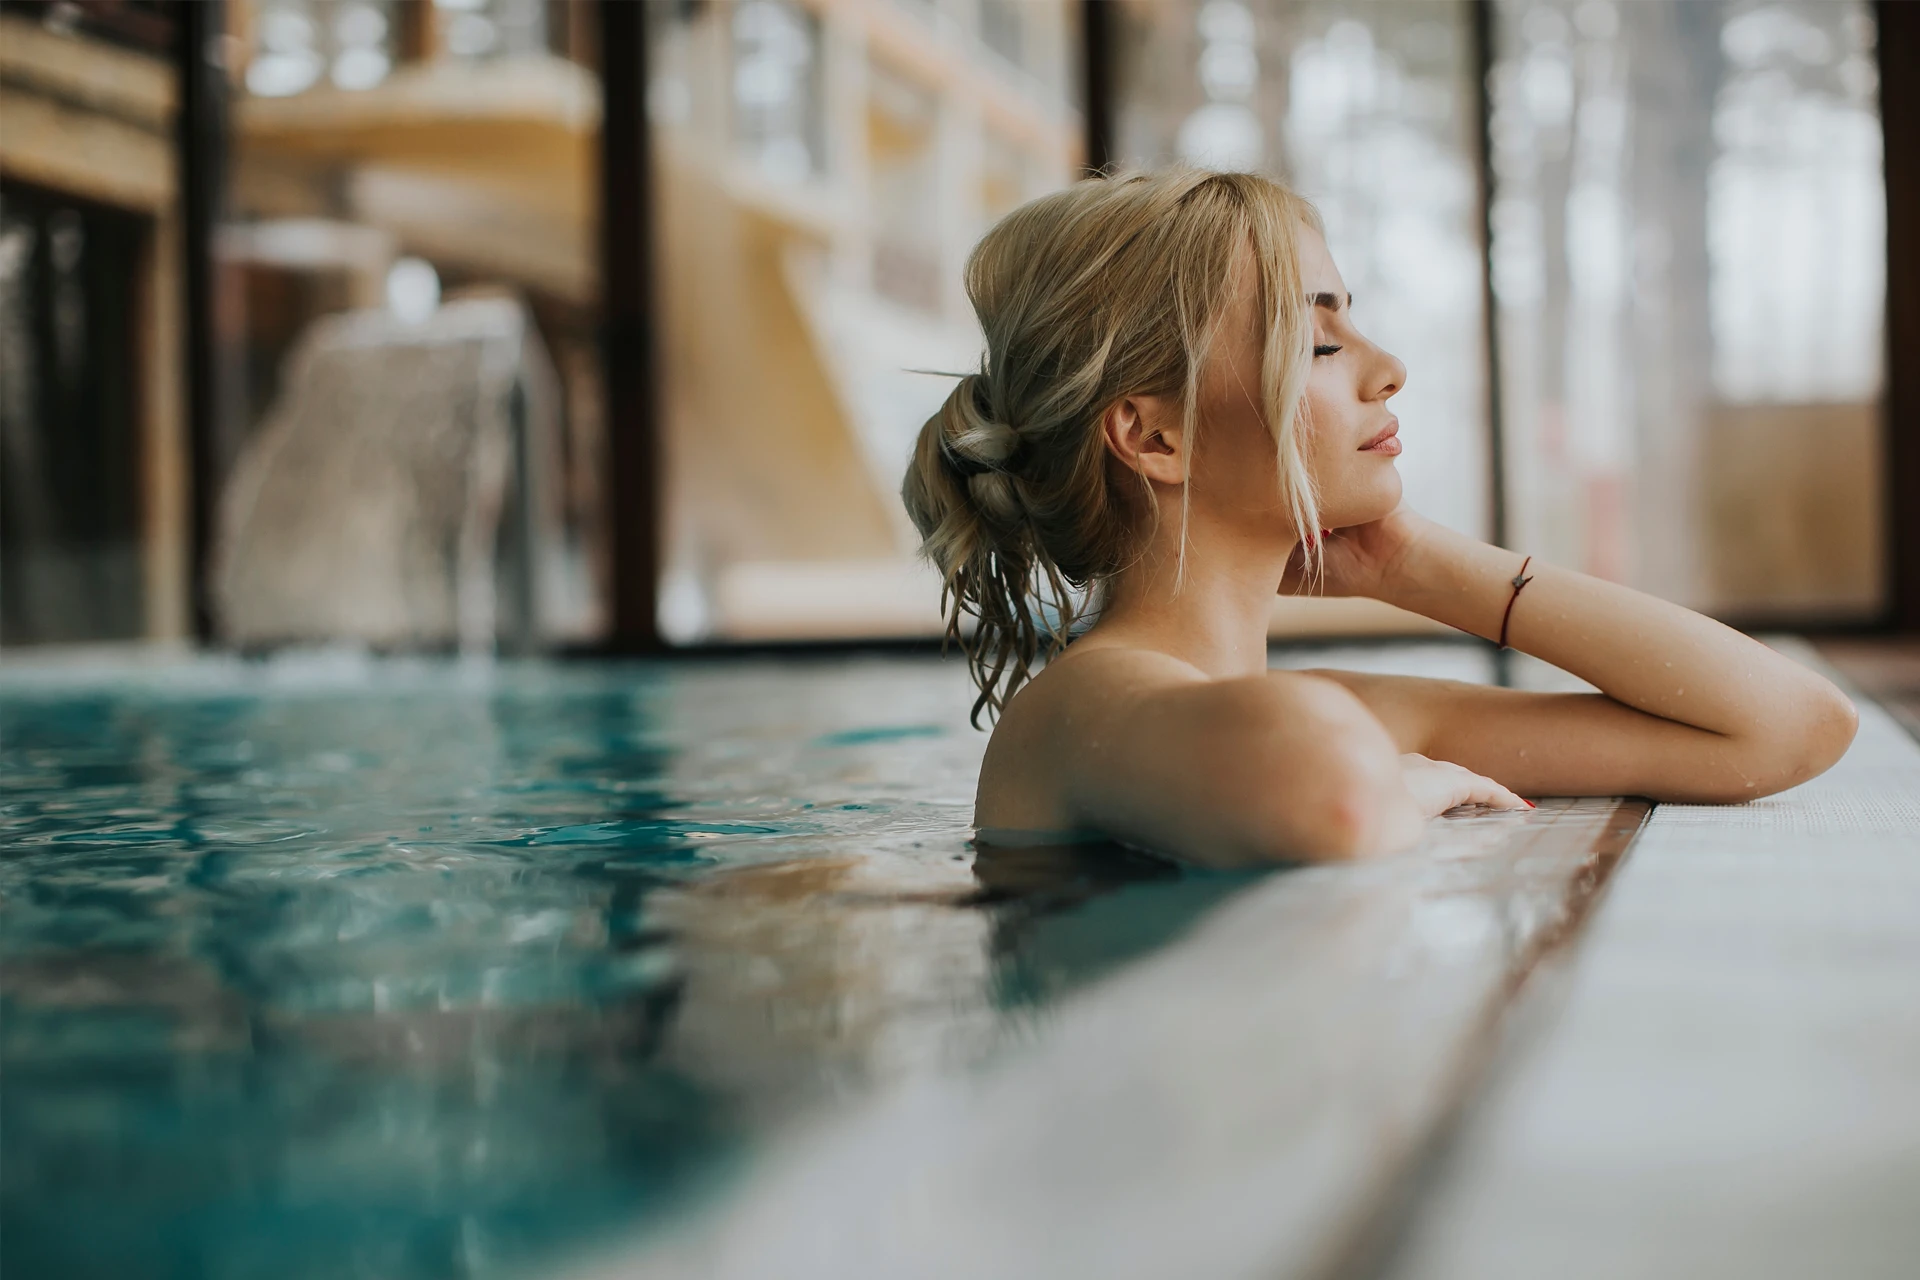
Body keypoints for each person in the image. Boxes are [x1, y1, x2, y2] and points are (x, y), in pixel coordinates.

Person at [901, 169, 1857, 866]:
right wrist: (1416, 781)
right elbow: (1339, 801)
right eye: (1319, 342)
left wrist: (1417, 565)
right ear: (1155, 440)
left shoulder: (1327, 714)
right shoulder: (1080, 707)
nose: (1386, 363)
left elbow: (1787, 728)